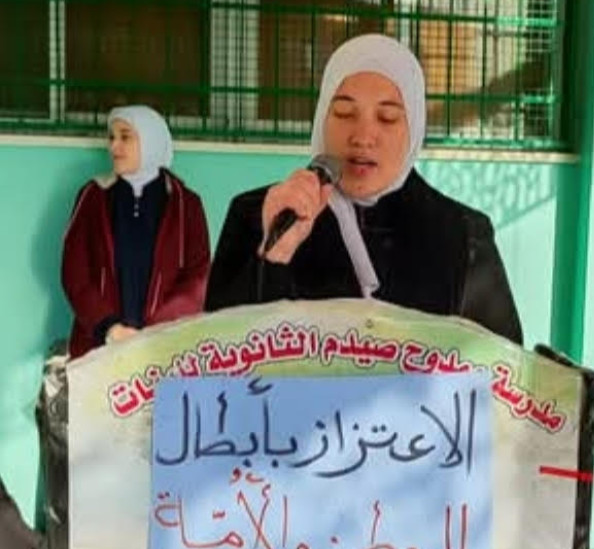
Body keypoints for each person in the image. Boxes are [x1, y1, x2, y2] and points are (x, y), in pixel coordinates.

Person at [204, 34, 522, 344]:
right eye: (344, 113)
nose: (363, 136)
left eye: (387, 117)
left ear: (414, 129)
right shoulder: (261, 214)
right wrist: (273, 257)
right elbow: (212, 357)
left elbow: (500, 375)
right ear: (322, 117)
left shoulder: (461, 233)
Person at [61, 105, 211, 358]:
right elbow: (75, 272)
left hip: (165, 348)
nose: (114, 147)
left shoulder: (186, 204)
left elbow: (198, 276)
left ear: (151, 140)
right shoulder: (93, 196)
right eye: (112, 137)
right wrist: (109, 328)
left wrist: (157, 330)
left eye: (125, 137)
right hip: (101, 347)